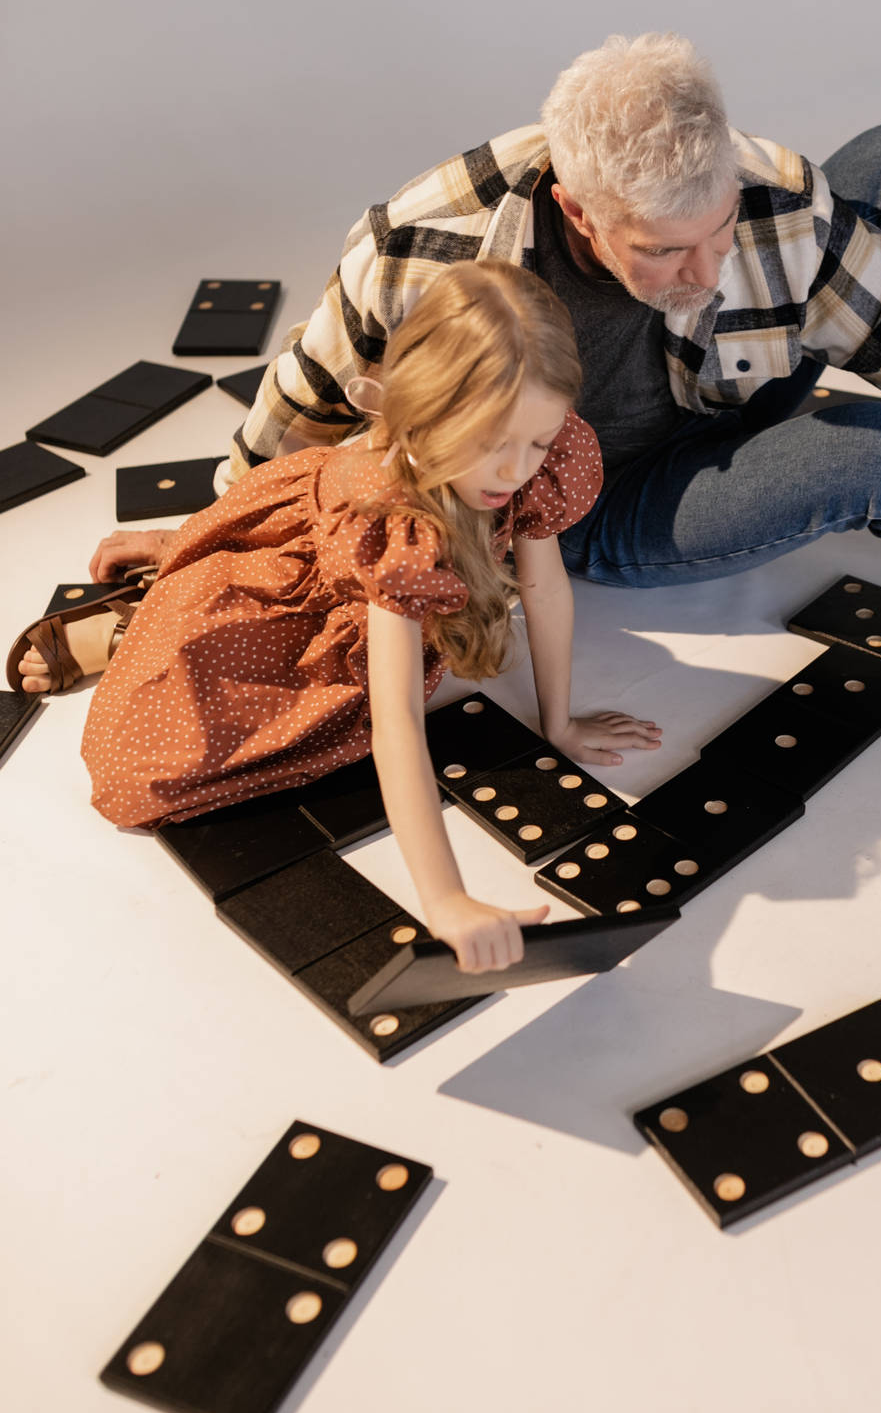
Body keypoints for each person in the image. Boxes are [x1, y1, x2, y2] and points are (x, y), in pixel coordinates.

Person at [38, 34, 881, 728]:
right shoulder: (426, 244)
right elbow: (304, 397)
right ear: (578, 207)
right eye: (658, 249)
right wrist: (209, 528)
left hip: (739, 395)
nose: (703, 267)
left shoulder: (767, 207)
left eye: (718, 227)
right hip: (604, 503)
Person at [74, 261, 660, 972]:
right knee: (145, 771)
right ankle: (142, 618)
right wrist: (445, 900)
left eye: (535, 442)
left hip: (356, 583)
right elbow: (397, 727)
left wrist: (559, 721)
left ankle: (160, 590)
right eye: (491, 443)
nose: (514, 472)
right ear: (430, 415)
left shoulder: (544, 449)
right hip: (270, 612)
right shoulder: (395, 522)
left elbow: (545, 586)